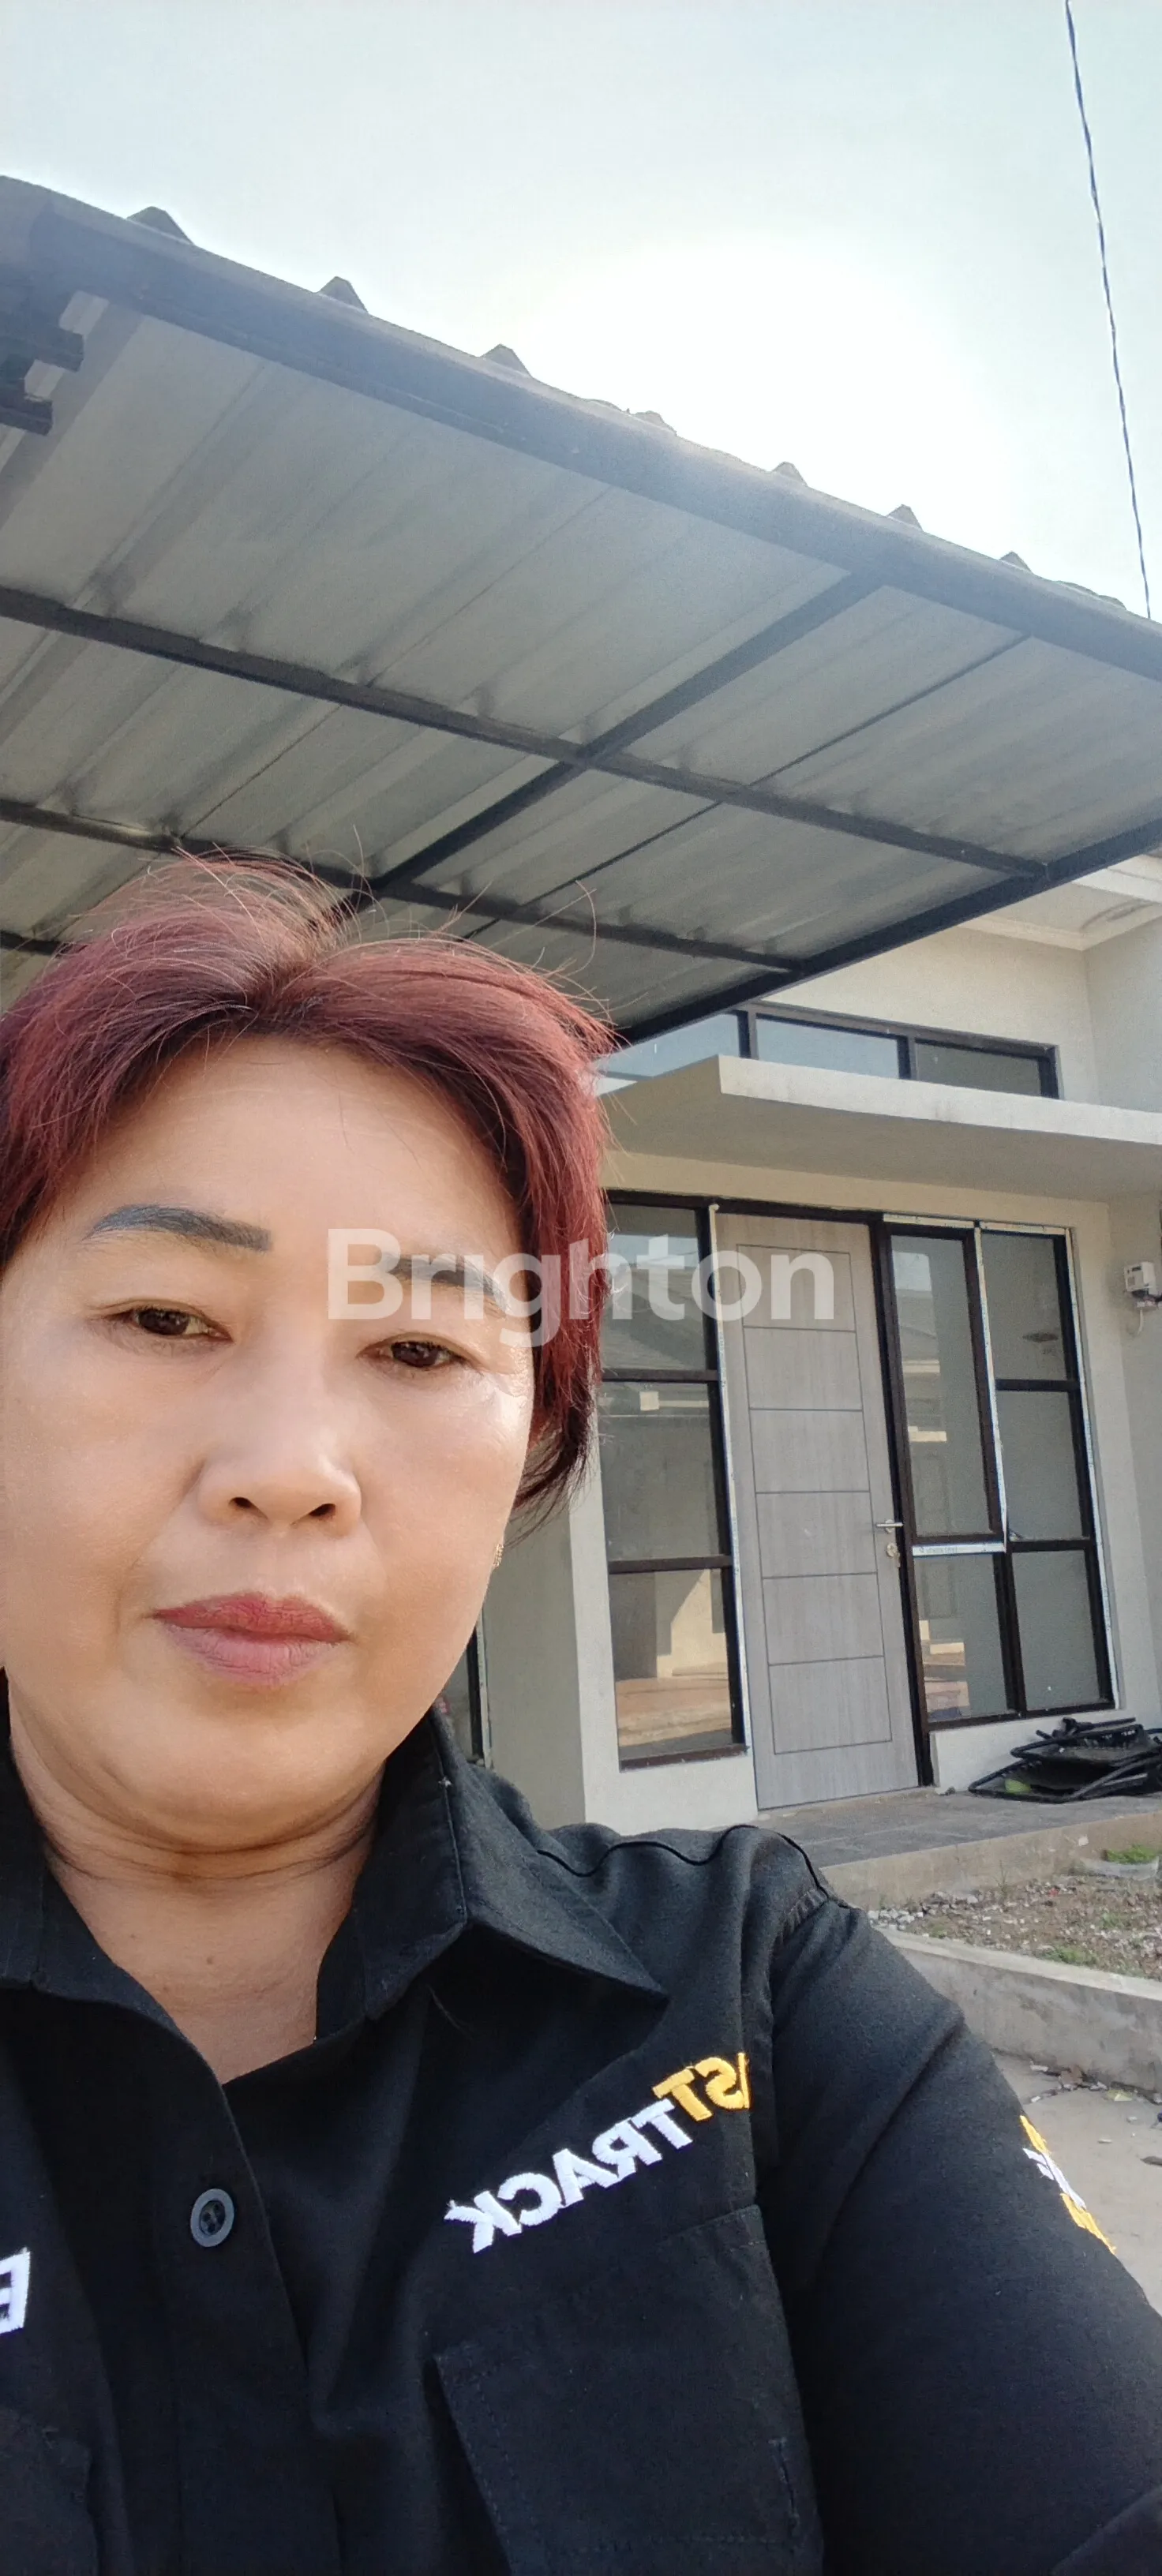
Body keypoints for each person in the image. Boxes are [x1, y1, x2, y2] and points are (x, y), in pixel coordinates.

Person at [0, 861, 1160, 2576]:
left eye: (420, 1352)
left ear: (529, 1452)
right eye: (164, 1317)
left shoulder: (758, 2003)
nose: (290, 1473)